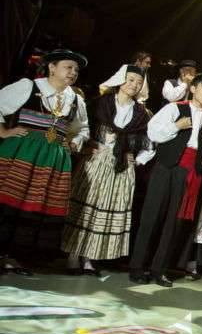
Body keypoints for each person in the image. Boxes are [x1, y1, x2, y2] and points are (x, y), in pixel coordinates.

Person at [0, 49, 90, 275]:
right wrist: (3, 131)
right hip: (22, 152)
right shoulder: (29, 86)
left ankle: (13, 257)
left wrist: (74, 142)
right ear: (52, 67)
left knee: (33, 206)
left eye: (76, 70)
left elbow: (82, 129)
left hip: (52, 159)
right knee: (9, 200)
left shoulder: (76, 99)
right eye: (68, 67)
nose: (73, 72)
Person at [129, 73, 202, 287]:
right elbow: (152, 132)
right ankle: (137, 266)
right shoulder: (174, 108)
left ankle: (158, 270)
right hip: (166, 167)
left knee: (174, 222)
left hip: (190, 171)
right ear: (193, 89)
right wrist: (176, 127)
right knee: (152, 216)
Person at [62, 64, 153, 275]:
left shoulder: (142, 114)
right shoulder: (101, 104)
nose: (134, 85)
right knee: (87, 206)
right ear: (121, 80)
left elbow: (150, 144)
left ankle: (90, 258)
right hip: (96, 161)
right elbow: (81, 128)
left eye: (138, 82)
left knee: (107, 208)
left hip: (120, 168)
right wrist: (86, 146)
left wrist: (137, 160)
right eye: (130, 80)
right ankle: (73, 256)